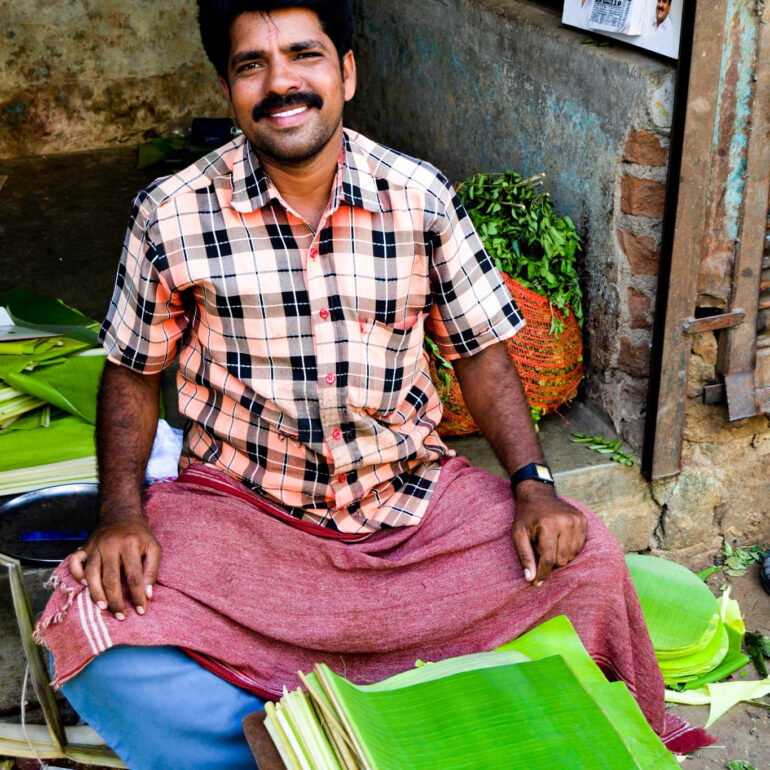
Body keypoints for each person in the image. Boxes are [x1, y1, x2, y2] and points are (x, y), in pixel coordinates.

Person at [35, 2, 666, 767]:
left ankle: (358, 724)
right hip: (244, 516)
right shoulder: (170, 214)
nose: (280, 84)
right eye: (251, 65)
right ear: (228, 87)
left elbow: (479, 353)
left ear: (347, 72)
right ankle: (300, 746)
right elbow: (134, 373)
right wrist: (122, 514)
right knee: (93, 618)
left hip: (409, 506)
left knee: (591, 560)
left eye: (304, 55)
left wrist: (532, 483)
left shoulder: (419, 195)